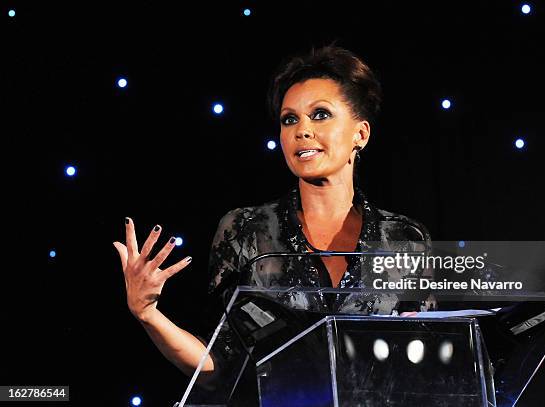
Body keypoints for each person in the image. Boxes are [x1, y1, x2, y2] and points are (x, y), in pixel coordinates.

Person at [112, 45, 432, 382]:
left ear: (360, 134)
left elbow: (428, 361)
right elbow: (218, 365)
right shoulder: (245, 230)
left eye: (320, 114)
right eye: (289, 119)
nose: (301, 130)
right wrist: (147, 313)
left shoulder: (404, 237)